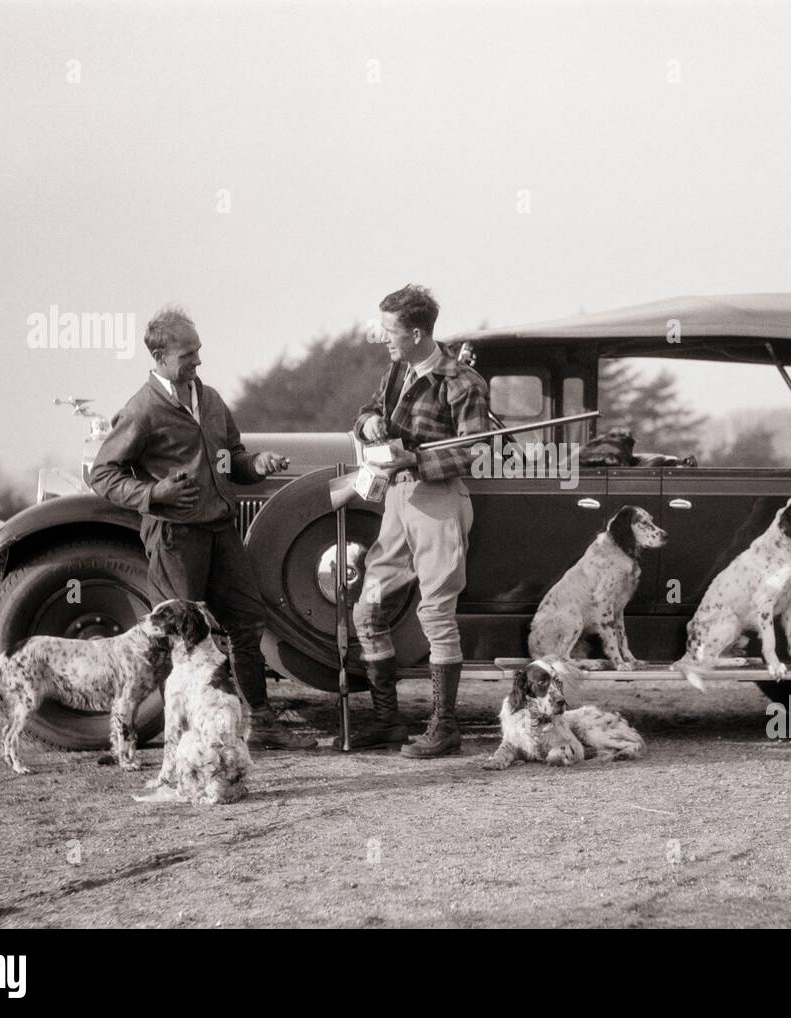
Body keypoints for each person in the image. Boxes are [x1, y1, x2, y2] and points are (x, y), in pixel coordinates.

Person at [89, 305, 317, 750]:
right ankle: (185, 737)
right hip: (175, 539)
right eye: (187, 354)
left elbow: (234, 458)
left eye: (198, 351)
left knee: (247, 623)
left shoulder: (210, 399)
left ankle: (262, 724)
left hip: (220, 533)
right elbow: (102, 474)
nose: (197, 362)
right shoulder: (142, 410)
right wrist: (153, 496)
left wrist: (258, 464)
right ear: (159, 357)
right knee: (181, 638)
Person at [348, 284, 491, 757]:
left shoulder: (462, 382)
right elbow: (371, 409)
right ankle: (387, 721)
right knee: (367, 607)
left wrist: (415, 459)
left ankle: (444, 727)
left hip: (439, 502)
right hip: (398, 500)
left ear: (414, 332)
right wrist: (368, 423)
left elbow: (475, 451)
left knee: (435, 613)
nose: (382, 338)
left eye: (389, 330)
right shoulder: (397, 369)